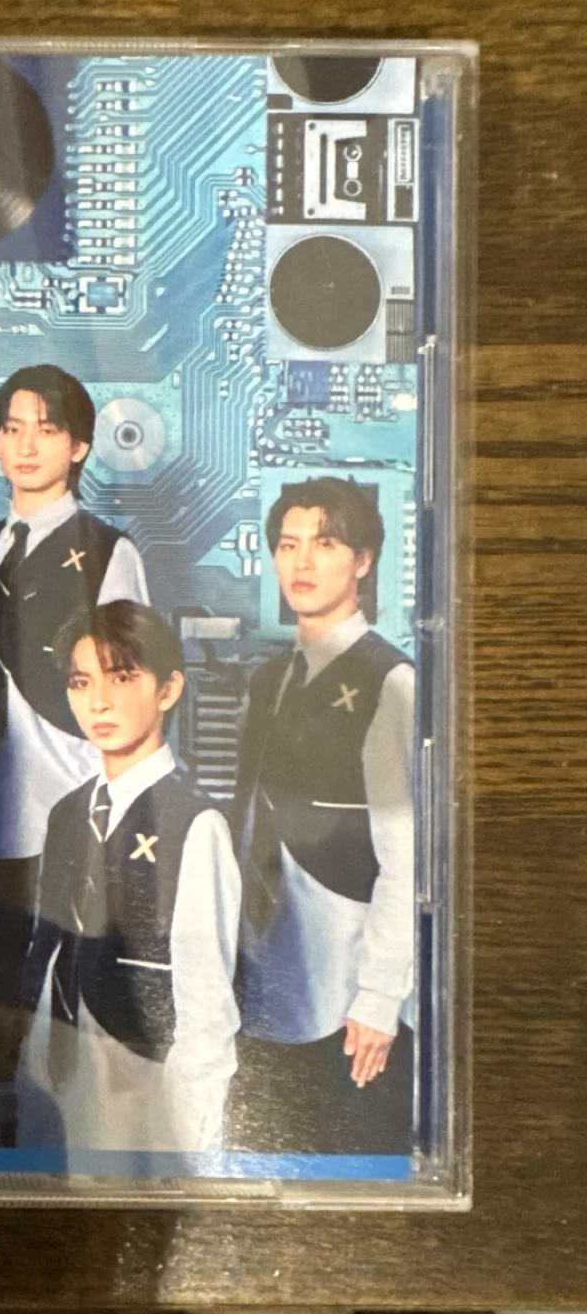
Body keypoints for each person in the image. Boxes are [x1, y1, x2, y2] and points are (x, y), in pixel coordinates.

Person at [0, 364, 149, 1076]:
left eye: (47, 430)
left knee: (62, 1019)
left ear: (79, 446)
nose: (27, 445)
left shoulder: (109, 552)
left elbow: (134, 696)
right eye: (12, 429)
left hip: (68, 809)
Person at [229, 477, 416, 1154]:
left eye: (325, 544)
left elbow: (407, 860)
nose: (302, 562)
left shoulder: (390, 681)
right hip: (261, 976)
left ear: (363, 561)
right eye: (288, 545)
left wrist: (379, 998)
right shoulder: (267, 681)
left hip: (346, 994)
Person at [16, 602, 240, 1151]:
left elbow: (206, 1003)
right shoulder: (68, 813)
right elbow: (47, 947)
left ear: (167, 690)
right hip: (54, 1061)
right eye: (81, 682)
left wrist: (192, 1141)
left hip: (140, 1072)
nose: (98, 701)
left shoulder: (195, 824)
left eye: (121, 677)